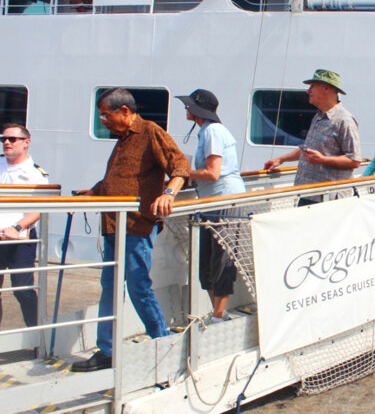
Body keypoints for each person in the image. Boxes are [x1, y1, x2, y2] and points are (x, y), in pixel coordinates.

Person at [72, 88, 190, 372]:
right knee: (110, 287)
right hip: (113, 225)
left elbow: (180, 166)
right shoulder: (123, 140)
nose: (103, 121)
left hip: (136, 226)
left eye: (105, 115)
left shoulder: (149, 132)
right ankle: (108, 350)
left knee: (138, 287)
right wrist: (94, 192)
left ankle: (161, 341)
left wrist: (169, 194)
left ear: (124, 111)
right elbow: (118, 178)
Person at [176, 89, 245, 323]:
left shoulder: (213, 131)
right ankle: (217, 312)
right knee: (207, 260)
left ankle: (217, 314)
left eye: (189, 106)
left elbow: (213, 173)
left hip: (224, 199)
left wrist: (183, 173)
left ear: (198, 110)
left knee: (222, 257)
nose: (186, 109)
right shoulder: (206, 131)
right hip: (210, 200)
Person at [263, 69, 362, 206]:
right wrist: (281, 159)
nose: (308, 91)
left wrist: (323, 160)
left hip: (329, 200)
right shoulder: (319, 117)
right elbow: (308, 149)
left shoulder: (344, 120)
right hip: (309, 194)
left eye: (312, 86)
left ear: (326, 88)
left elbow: (354, 160)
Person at [0, 123, 48, 328]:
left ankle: (36, 336)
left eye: (12, 139)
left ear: (26, 143)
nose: (7, 143)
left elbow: (38, 209)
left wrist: (17, 228)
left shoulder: (36, 174)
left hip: (20, 238)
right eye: (3, 139)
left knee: (23, 289)